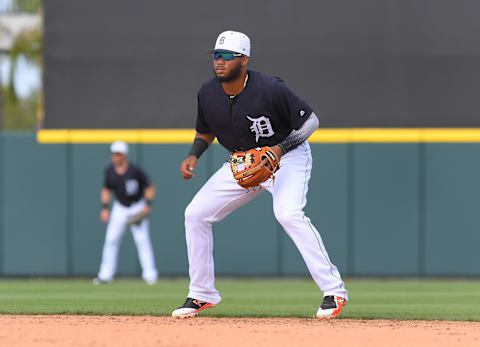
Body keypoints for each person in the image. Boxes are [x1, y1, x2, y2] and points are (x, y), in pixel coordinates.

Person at [171, 30, 348, 318]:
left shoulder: (270, 88)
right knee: (195, 214)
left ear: (244, 60)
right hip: (243, 163)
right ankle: (202, 293)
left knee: (288, 214)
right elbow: (206, 130)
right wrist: (193, 155)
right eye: (216, 55)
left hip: (287, 157)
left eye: (227, 56)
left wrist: (280, 149)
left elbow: (310, 121)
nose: (219, 61)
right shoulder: (207, 92)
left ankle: (335, 291)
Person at [94, 141, 158, 285]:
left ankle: (150, 275)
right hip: (120, 208)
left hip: (137, 206)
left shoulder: (135, 171)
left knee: (142, 241)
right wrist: (104, 208)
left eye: (118, 154)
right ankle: (105, 275)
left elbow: (150, 186)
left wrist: (147, 205)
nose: (115, 157)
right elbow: (106, 190)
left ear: (124, 155)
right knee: (111, 240)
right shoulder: (109, 171)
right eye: (113, 154)